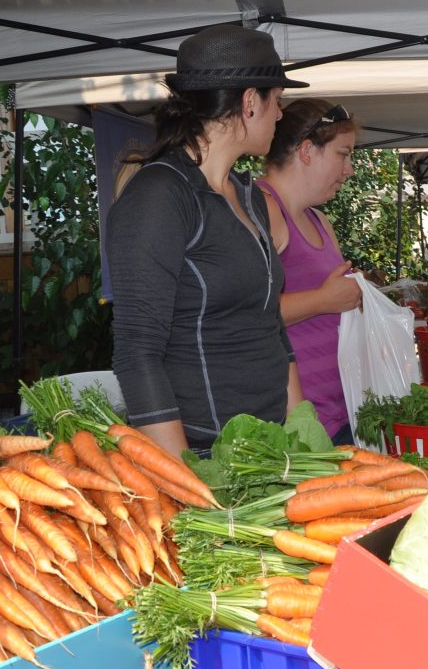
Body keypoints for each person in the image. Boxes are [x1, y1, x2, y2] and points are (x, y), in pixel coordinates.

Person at [106, 24, 308, 458]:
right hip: (203, 454)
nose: (280, 113)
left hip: (270, 450)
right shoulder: (160, 196)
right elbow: (138, 353)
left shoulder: (251, 195)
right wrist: (186, 483)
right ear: (250, 102)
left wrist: (302, 433)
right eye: (277, 100)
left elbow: (271, 326)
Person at [256, 99, 362, 445]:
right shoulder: (262, 209)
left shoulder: (319, 220)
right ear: (306, 151)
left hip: (338, 415)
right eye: (343, 154)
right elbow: (242, 315)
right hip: (295, 425)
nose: (350, 171)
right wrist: (322, 300)